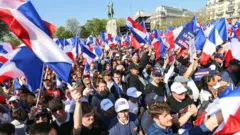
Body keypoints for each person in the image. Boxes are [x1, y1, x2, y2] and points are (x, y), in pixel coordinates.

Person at [147, 101, 223, 135]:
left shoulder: (163, 124)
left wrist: (189, 113)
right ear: (155, 119)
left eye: (169, 114)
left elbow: (177, 123)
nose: (170, 117)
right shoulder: (156, 133)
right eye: (165, 116)